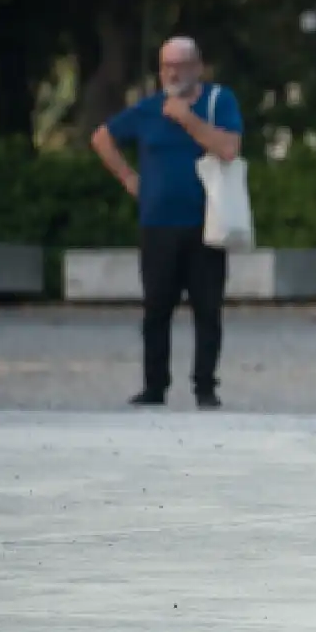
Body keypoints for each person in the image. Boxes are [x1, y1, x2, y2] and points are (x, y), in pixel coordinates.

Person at [90, 36, 244, 409]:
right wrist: (128, 177)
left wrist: (187, 119)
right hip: (158, 223)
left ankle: (205, 386)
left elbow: (229, 148)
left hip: (207, 223)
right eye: (166, 66)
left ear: (198, 67)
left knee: (207, 308)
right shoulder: (148, 109)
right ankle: (154, 385)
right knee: (156, 308)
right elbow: (102, 137)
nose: (173, 73)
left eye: (181, 65)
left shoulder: (218, 101)